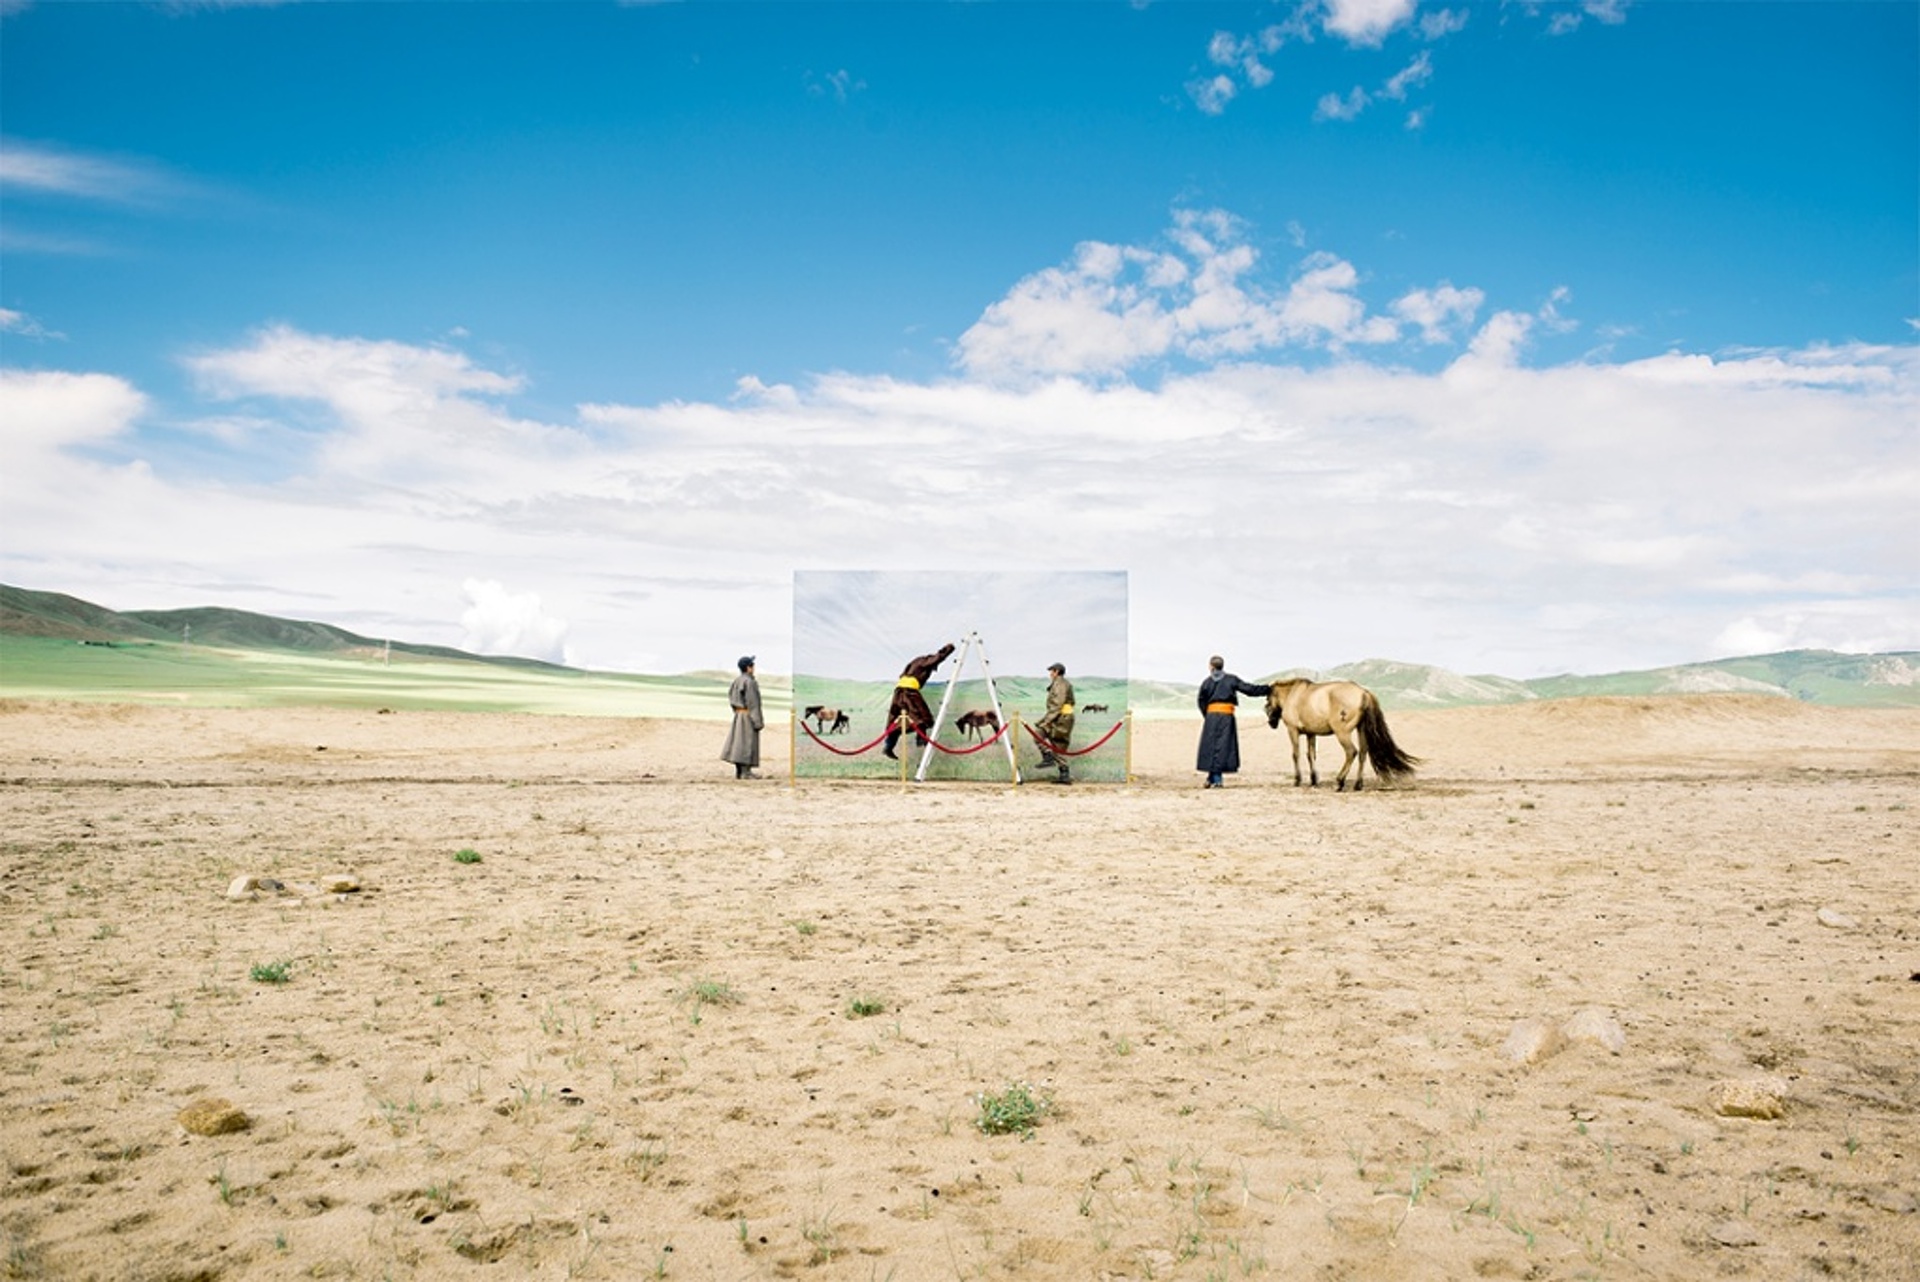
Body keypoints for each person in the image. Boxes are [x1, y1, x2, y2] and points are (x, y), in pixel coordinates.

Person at [1196, 655, 1270, 788]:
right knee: (1222, 746)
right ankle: (1216, 780)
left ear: (1211, 667)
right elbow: (1249, 689)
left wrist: (1207, 715)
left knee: (1212, 746)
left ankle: (1212, 778)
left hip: (1211, 717)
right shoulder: (1231, 680)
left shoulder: (1206, 682)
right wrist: (1267, 689)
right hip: (1226, 716)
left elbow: (1201, 700)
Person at [882, 642, 955, 759]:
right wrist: (950, 648)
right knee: (924, 717)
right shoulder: (925, 660)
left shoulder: (913, 662)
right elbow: (938, 657)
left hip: (898, 692)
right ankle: (920, 740)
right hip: (909, 691)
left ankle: (888, 746)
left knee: (894, 720)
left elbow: (902, 675)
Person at [1031, 661, 1075, 785]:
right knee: (1056, 745)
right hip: (1060, 717)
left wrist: (1047, 721)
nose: (1050, 673)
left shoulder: (1060, 684)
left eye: (1052, 671)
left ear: (1057, 672)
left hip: (1061, 718)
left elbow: (1058, 704)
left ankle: (1048, 756)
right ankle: (1064, 774)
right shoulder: (1059, 683)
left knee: (1041, 735)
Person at [721, 655, 764, 779]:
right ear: (748, 668)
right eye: (752, 666)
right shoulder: (750, 682)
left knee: (738, 743)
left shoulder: (737, 681)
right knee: (747, 743)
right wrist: (758, 721)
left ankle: (739, 772)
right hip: (747, 716)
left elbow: (731, 697)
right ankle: (746, 772)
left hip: (739, 715)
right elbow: (753, 703)